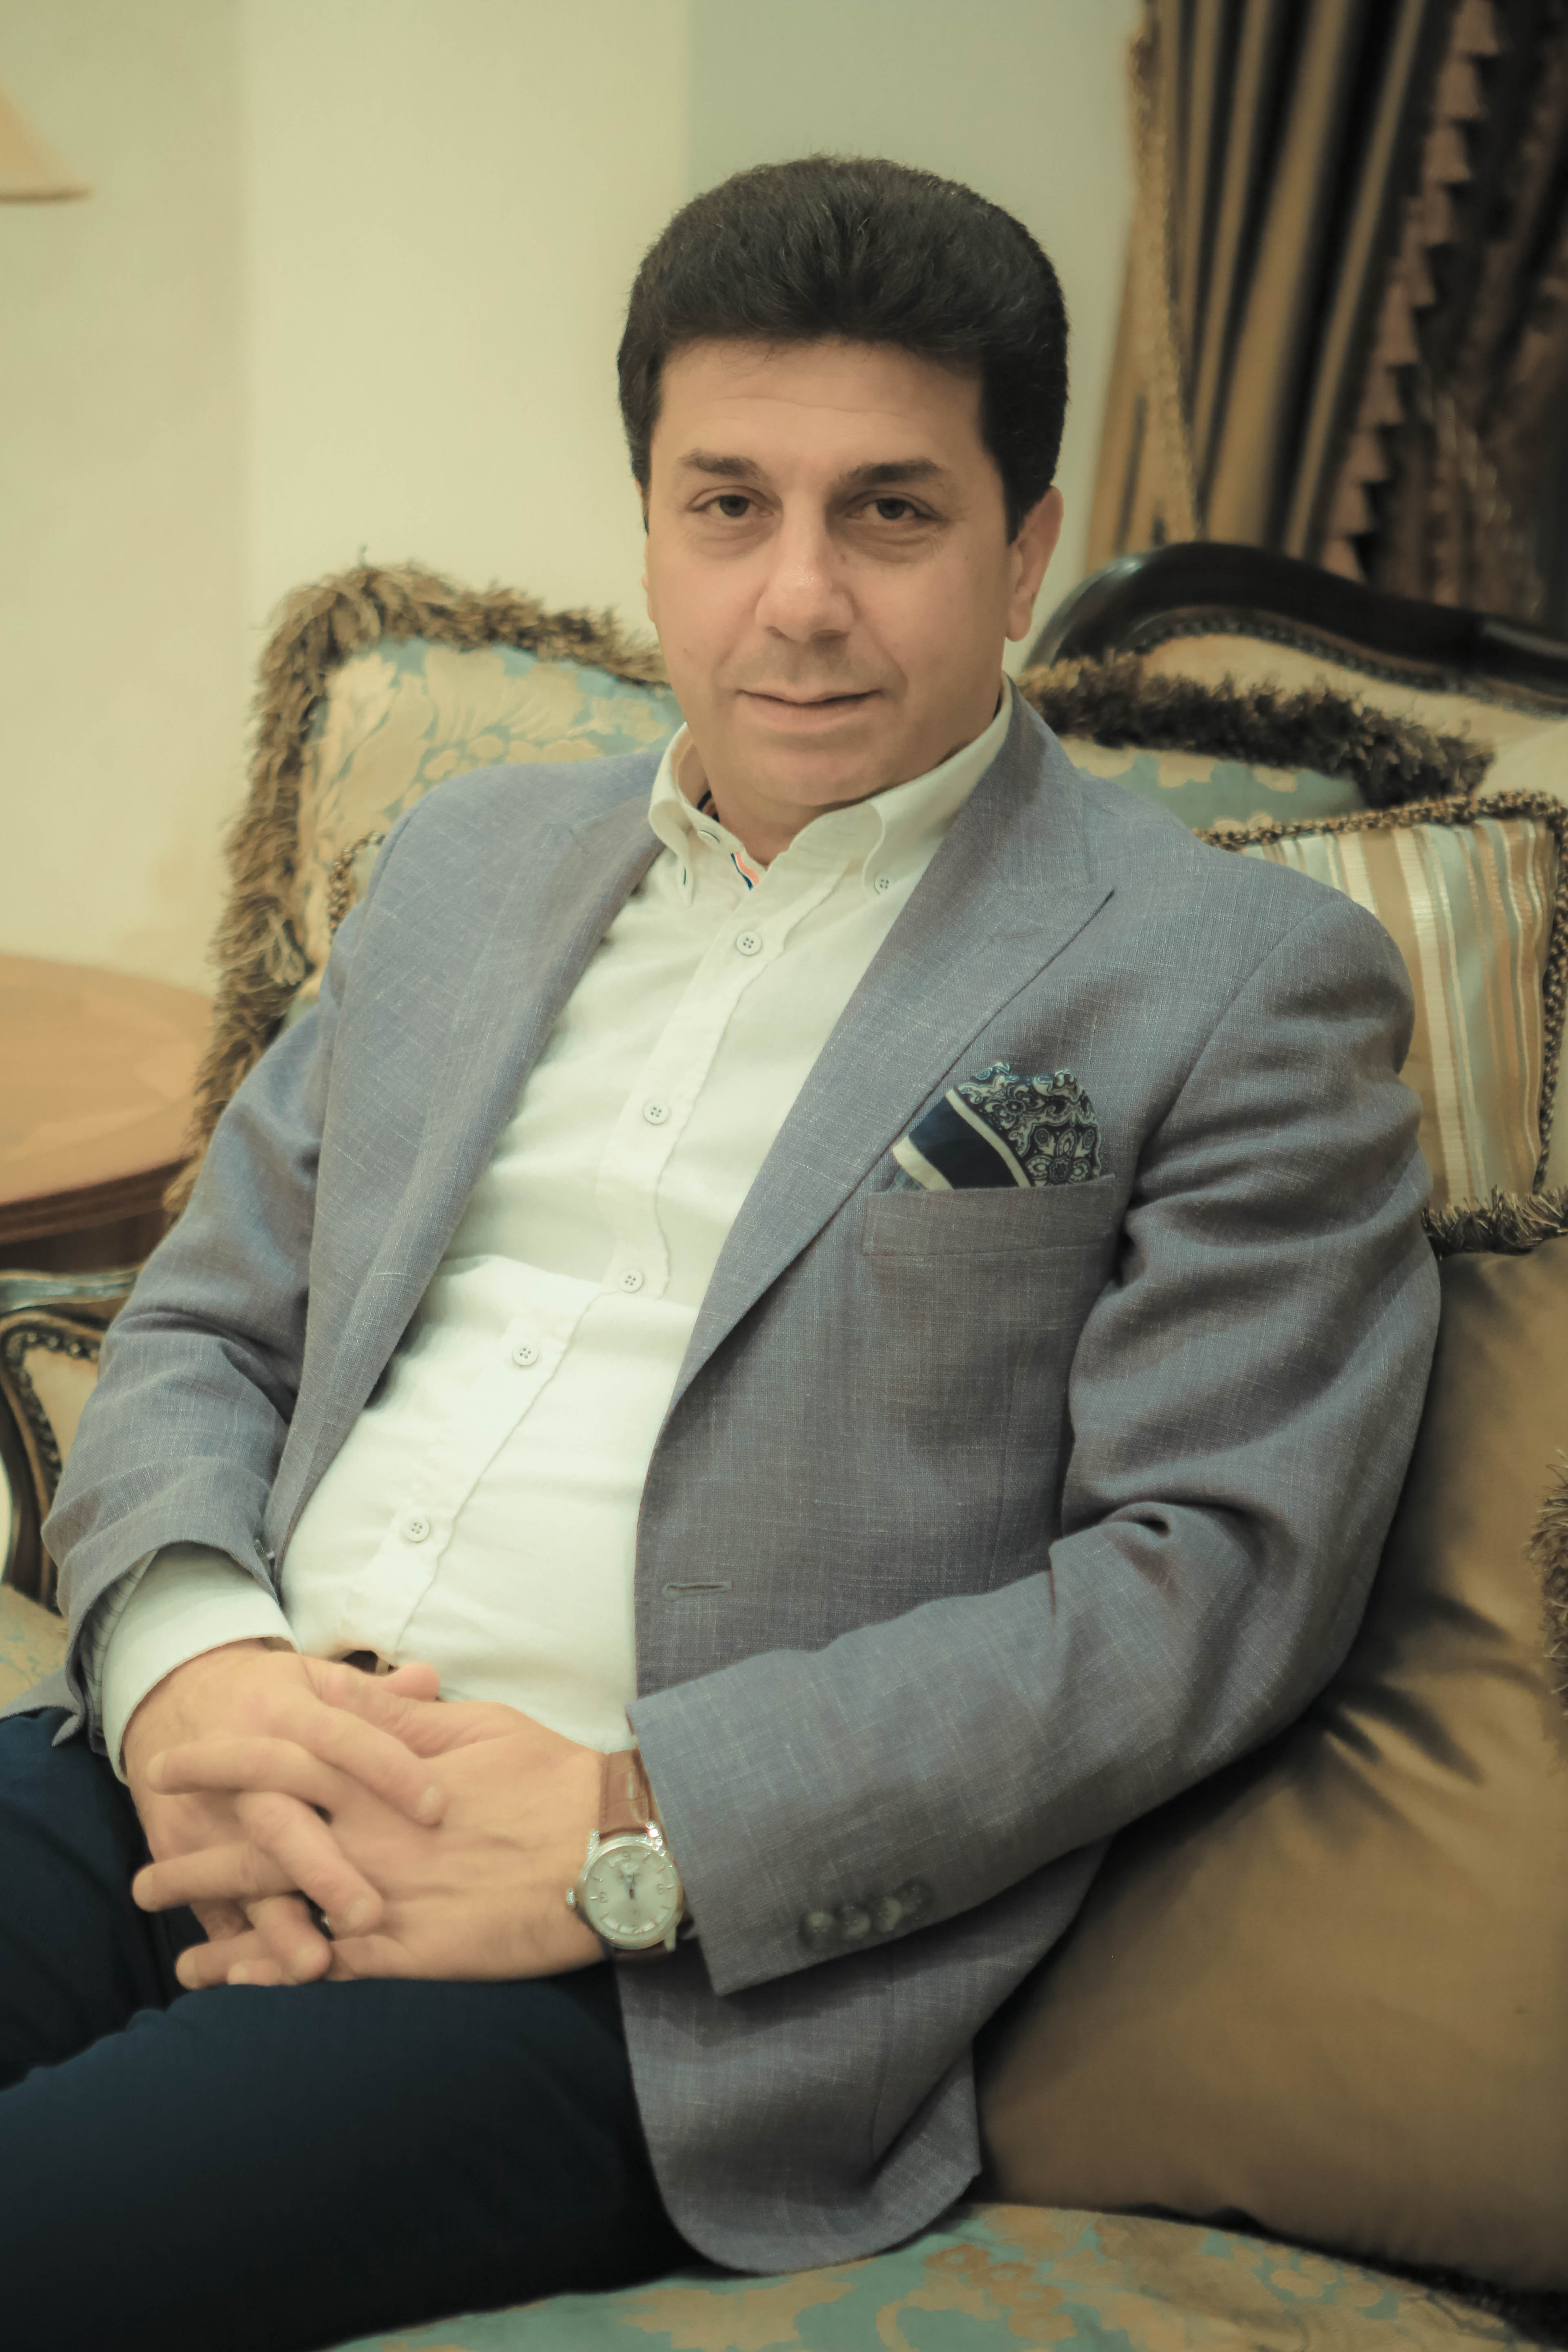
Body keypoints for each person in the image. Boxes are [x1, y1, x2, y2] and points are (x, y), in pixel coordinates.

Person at [1, 156, 1439, 2352]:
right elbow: (206, 1317)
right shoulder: (470, 861)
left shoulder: (1233, 979)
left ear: (1025, 550)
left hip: (635, 1969)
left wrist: (629, 1831)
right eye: (730, 506)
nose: (800, 597)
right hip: (199, 1769)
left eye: (891, 511)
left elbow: (1206, 1581)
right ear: (651, 524)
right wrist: (192, 1667)